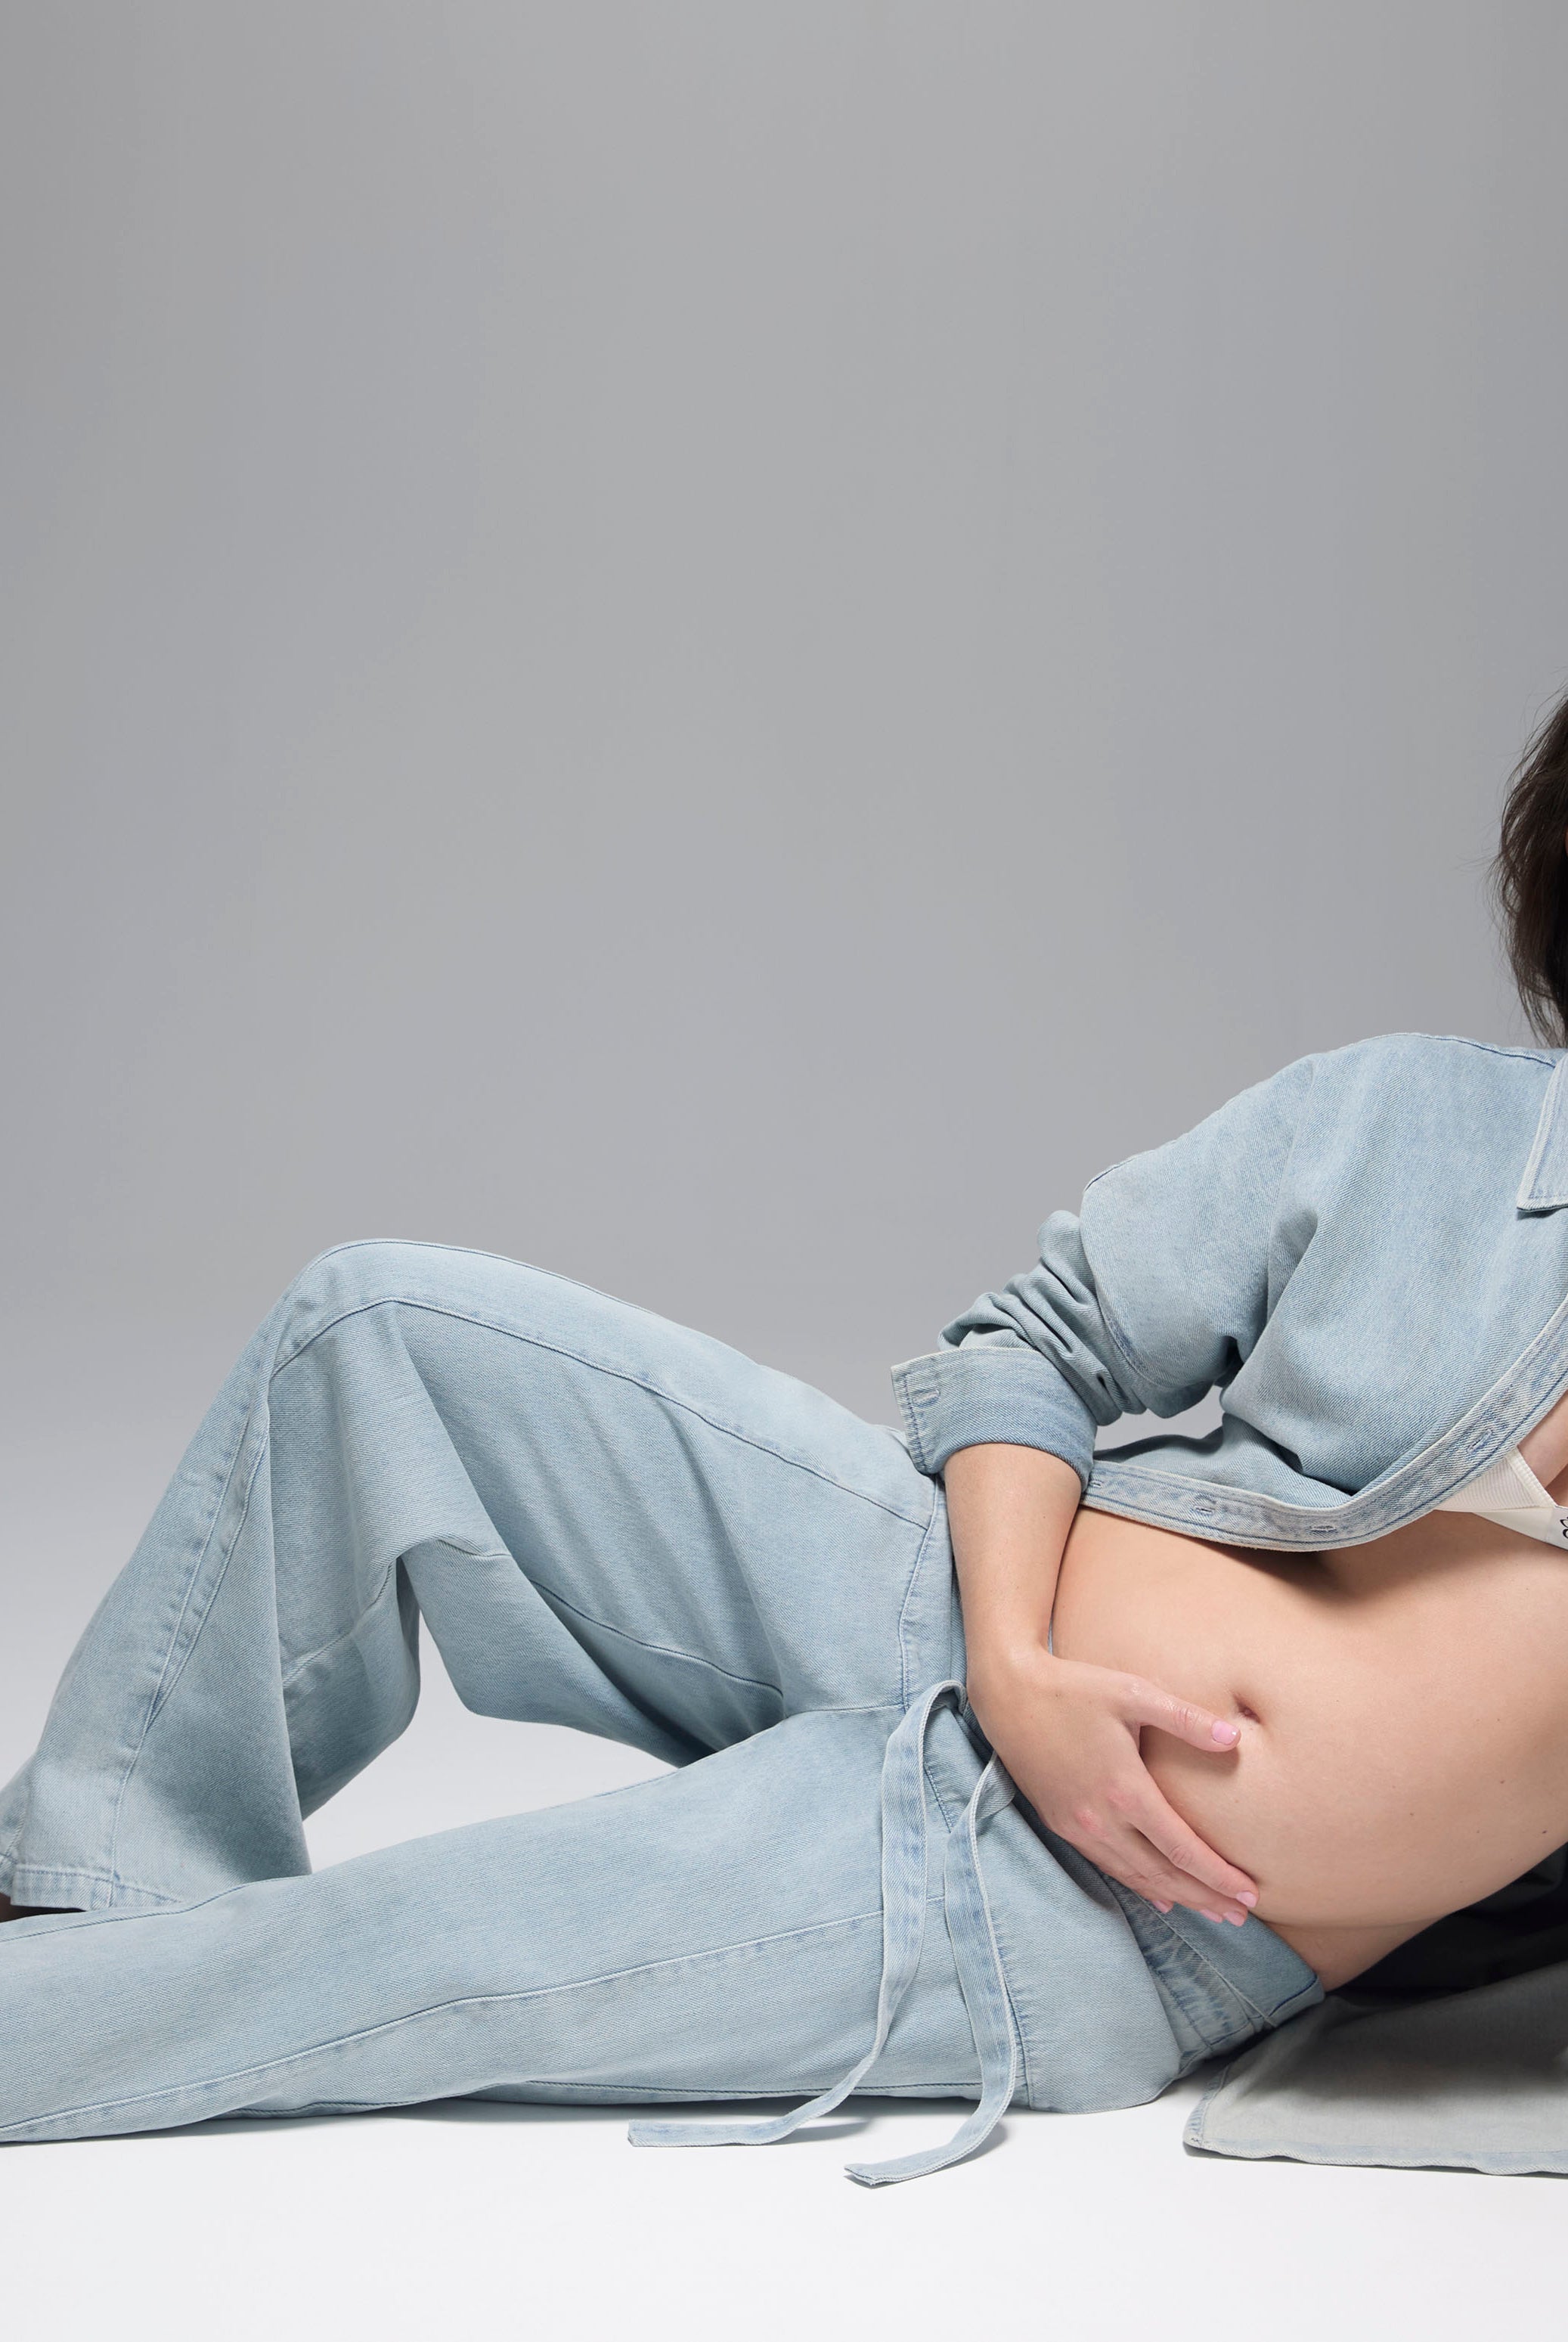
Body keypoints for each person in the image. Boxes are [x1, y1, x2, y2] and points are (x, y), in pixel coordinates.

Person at [8, 696, 1568, 2185]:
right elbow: (1032, 1338)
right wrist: (1016, 1664)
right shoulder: (1411, 1122)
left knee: (384, 1954)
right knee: (370, 1328)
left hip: (1089, 1902)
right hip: (922, 1590)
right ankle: (73, 1892)